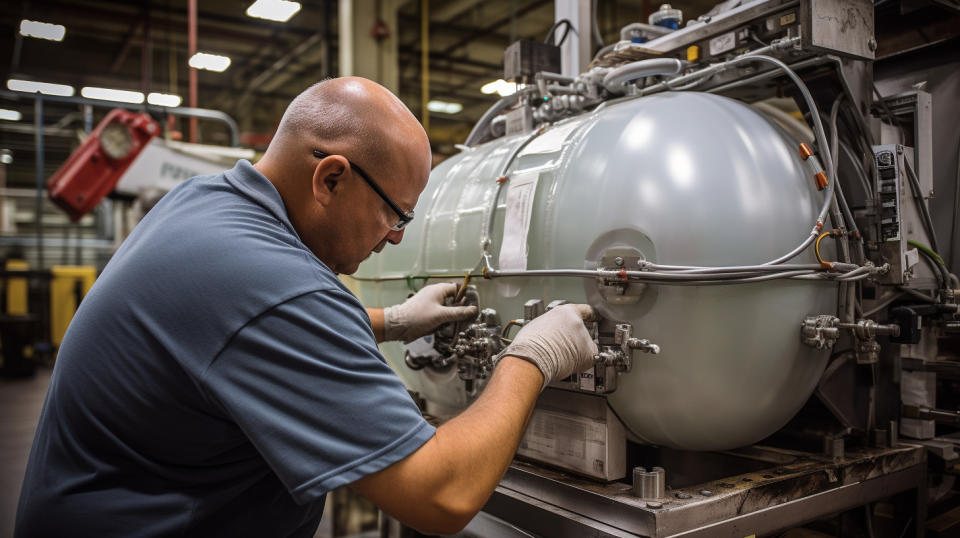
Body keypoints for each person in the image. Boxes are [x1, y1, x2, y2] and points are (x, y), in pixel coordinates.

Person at [15, 77, 598, 537]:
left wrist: (391, 322)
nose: (395, 238)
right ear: (331, 178)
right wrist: (530, 357)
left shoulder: (207, 202)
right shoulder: (272, 283)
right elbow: (440, 495)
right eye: (395, 214)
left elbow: (228, 339)